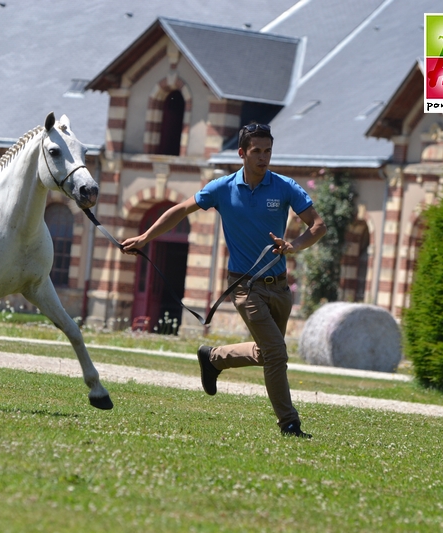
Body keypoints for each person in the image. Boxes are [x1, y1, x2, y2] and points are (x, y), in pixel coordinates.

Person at [121, 123, 326, 438]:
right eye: (256, 151)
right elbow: (181, 210)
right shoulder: (221, 188)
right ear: (242, 153)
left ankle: (213, 358)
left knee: (265, 352)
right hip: (246, 288)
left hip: (280, 287)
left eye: (268, 151)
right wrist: (146, 237)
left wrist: (293, 245)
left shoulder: (285, 187)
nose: (263, 157)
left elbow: (318, 226)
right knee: (276, 353)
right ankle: (289, 423)